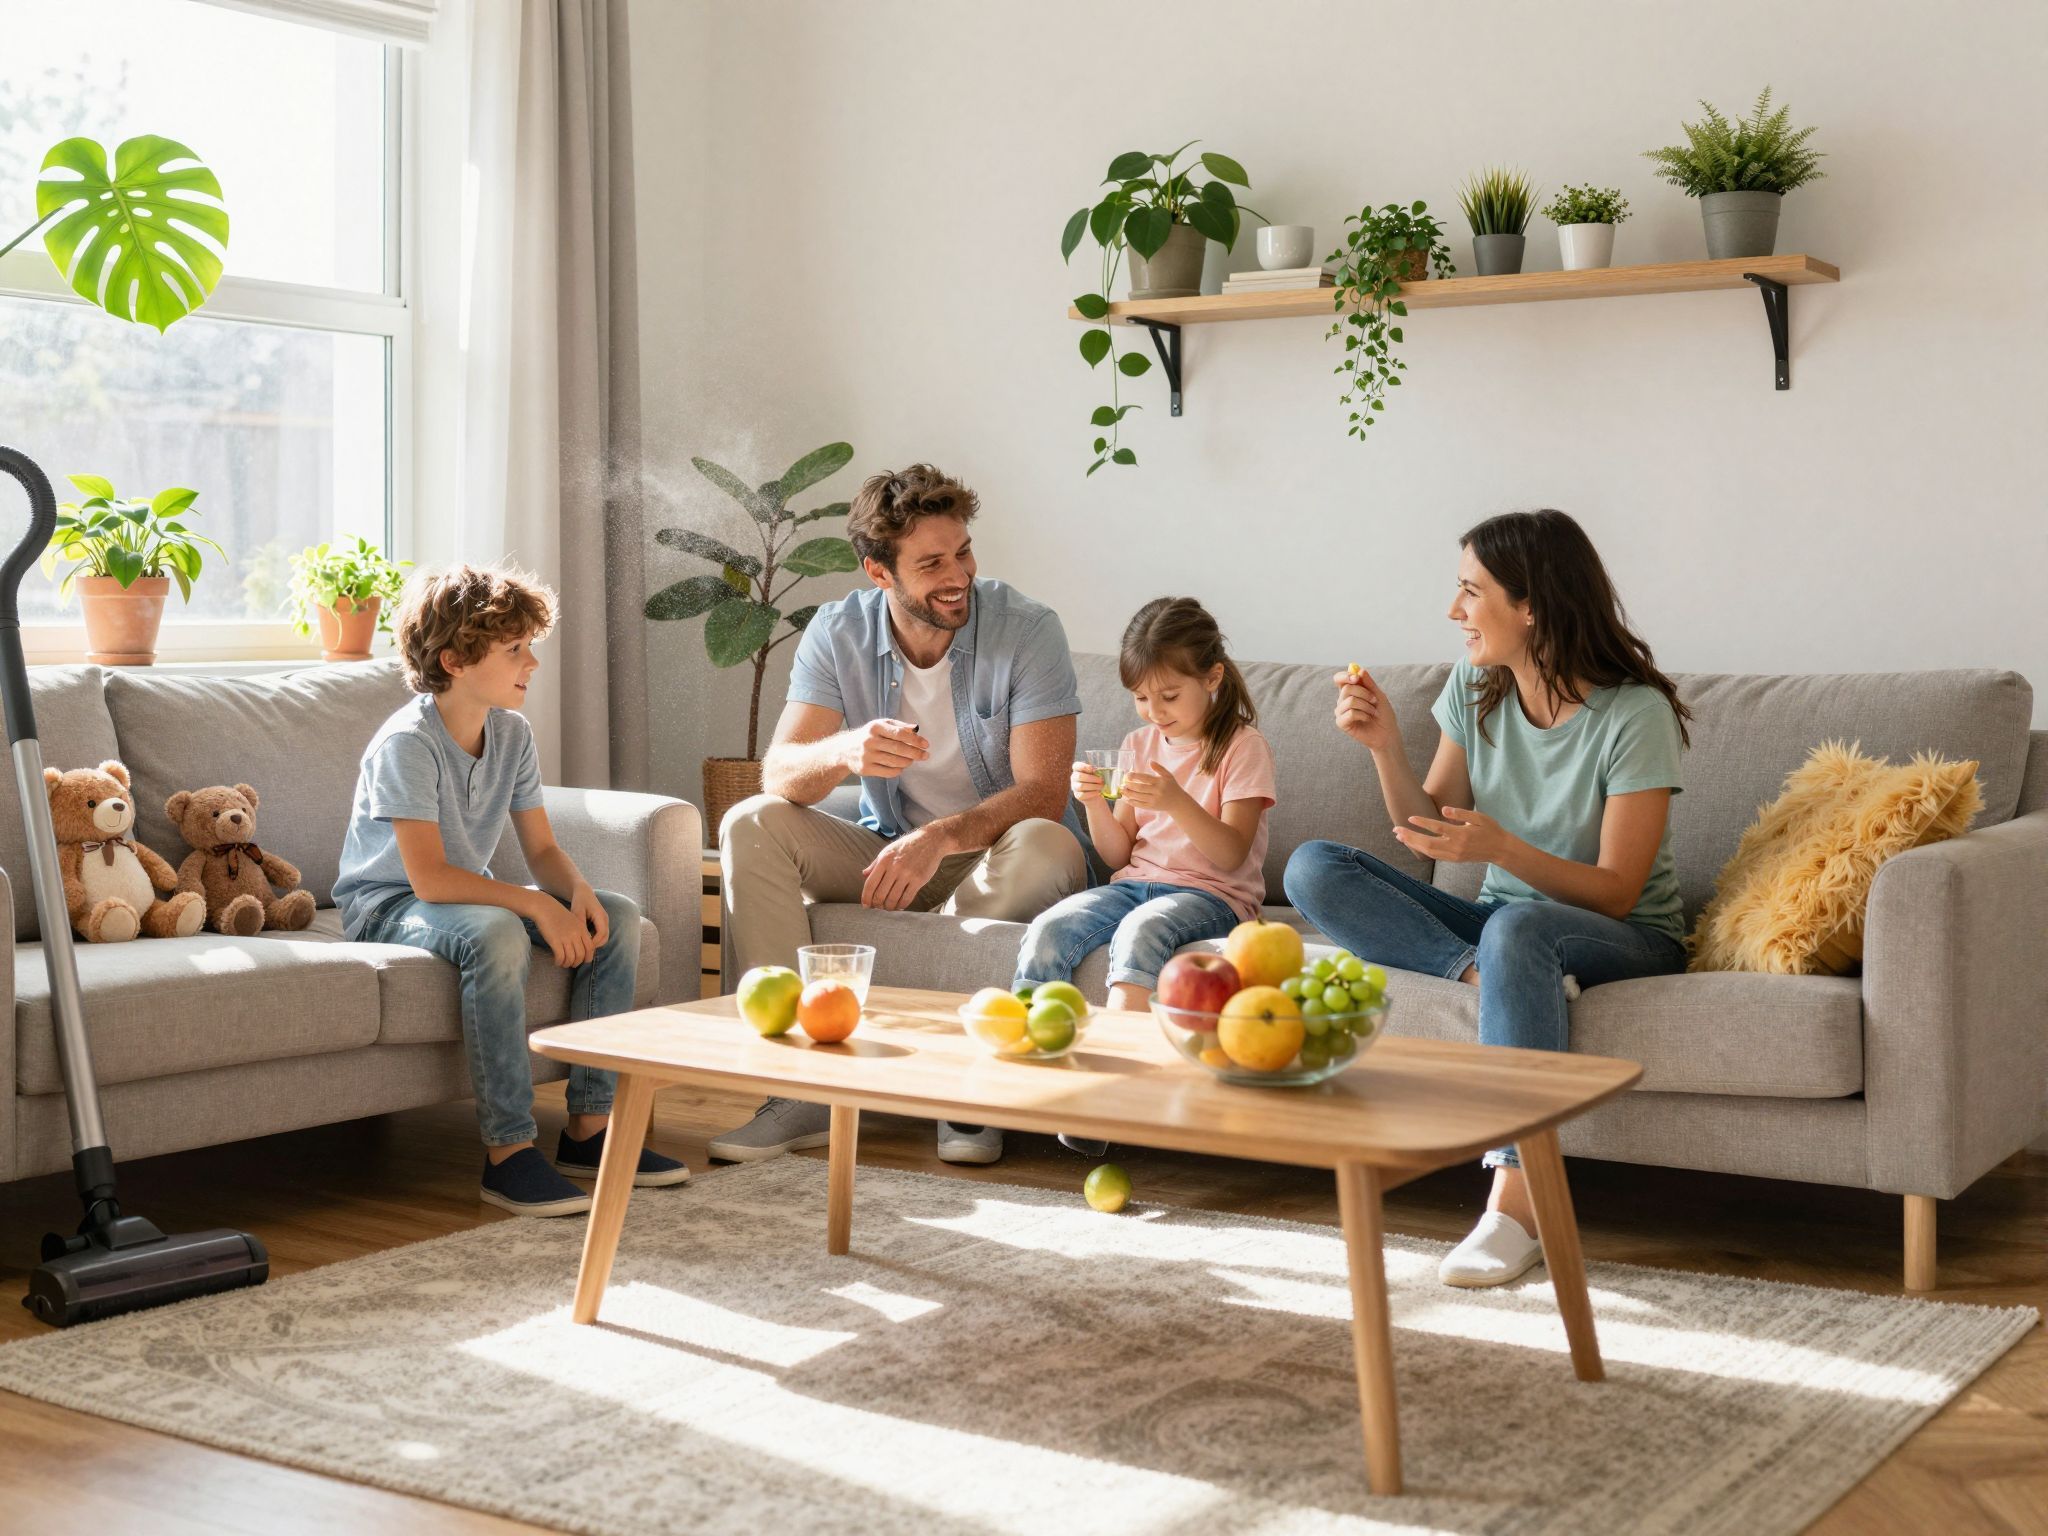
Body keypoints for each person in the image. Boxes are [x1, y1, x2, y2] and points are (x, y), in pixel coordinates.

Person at [1284, 509, 1691, 1287]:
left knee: (1522, 932)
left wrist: (1503, 848)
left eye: (1470, 592)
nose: (1453, 612)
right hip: (1508, 928)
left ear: (1530, 604)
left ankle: (1517, 1202)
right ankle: (1484, 974)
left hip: (1626, 934)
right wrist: (1385, 749)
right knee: (1312, 867)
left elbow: (1617, 890)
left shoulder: (1634, 715)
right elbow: (1425, 828)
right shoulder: (1476, 686)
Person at [711, 464, 1088, 1166]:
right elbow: (780, 774)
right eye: (933, 563)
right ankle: (801, 1088)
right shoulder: (837, 631)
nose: (959, 576)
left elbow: (1045, 792)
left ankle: (962, 1090)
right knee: (751, 823)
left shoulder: (1028, 629)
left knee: (1044, 842)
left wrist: (938, 839)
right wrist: (845, 751)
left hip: (998, 855)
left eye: (964, 552)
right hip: (891, 855)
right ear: (879, 573)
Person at [333, 564, 689, 1217]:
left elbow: (543, 849)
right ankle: (507, 1154)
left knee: (617, 915)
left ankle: (590, 1130)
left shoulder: (512, 734)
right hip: (388, 905)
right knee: (498, 930)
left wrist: (575, 892)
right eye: (514, 650)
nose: (533, 662)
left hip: (459, 896)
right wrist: (530, 902)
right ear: (456, 660)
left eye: (530, 646)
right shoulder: (408, 745)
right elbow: (428, 879)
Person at [1015, 596, 1274, 1013]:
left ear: (1212, 678)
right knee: (1051, 925)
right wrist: (1094, 804)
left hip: (1213, 897)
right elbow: (1118, 853)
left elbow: (1231, 855)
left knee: (1142, 928)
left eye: (1169, 696)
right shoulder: (1139, 743)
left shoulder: (1243, 747)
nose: (1154, 712)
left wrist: (1175, 801)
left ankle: (1126, 1050)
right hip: (1134, 885)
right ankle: (1031, 1033)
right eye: (1140, 698)